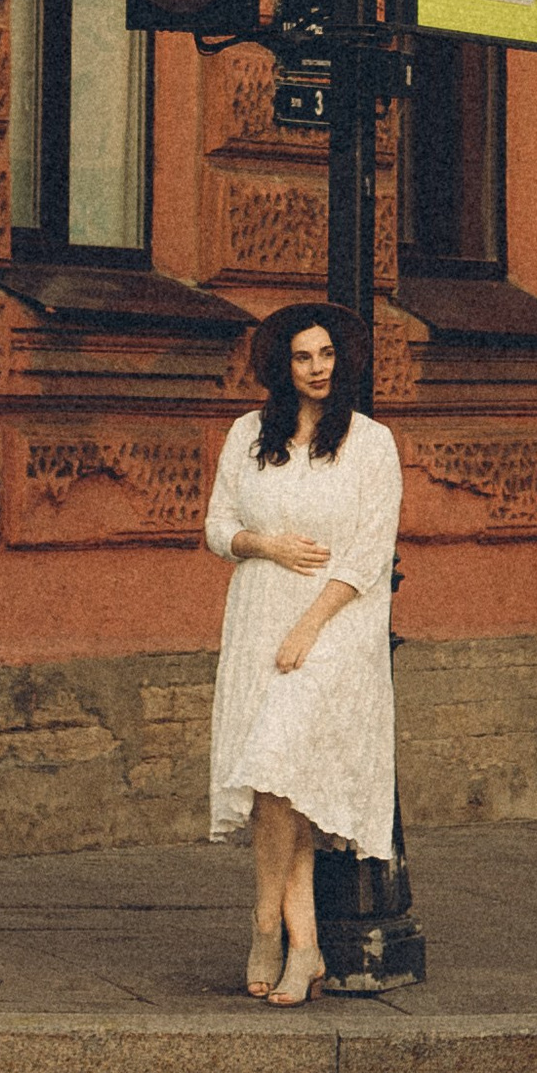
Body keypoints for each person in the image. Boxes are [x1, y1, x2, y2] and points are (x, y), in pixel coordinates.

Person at [202, 300, 404, 1006]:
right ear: (282, 367)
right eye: (302, 358)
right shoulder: (247, 435)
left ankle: (265, 926)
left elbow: (371, 551)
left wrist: (310, 625)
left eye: (325, 355)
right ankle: (304, 943)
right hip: (258, 610)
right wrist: (265, 545)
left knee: (281, 763)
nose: (317, 369)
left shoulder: (371, 443)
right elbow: (218, 527)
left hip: (336, 621)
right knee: (272, 781)